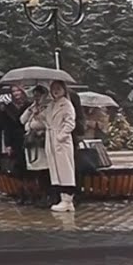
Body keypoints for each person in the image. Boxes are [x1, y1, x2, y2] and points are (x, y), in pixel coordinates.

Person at [45, 80, 78, 213]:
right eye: (53, 88)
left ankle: (68, 199)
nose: (56, 91)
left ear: (64, 90)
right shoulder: (51, 105)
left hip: (61, 141)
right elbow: (44, 120)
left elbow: (70, 123)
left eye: (58, 88)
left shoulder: (67, 104)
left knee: (65, 170)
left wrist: (61, 136)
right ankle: (62, 198)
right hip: (51, 140)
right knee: (56, 171)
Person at [0, 87, 32, 204]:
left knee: (30, 166)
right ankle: (21, 192)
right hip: (15, 140)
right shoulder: (8, 108)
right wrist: (8, 144)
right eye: (13, 91)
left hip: (29, 138)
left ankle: (32, 192)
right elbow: (6, 127)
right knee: (19, 167)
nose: (16, 93)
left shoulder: (29, 105)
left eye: (18, 90)